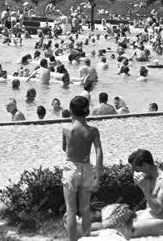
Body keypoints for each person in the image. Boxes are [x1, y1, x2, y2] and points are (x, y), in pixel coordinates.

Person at [62, 96, 103, 241]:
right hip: (86, 167)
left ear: (71, 111)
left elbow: (64, 148)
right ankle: (86, 238)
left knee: (71, 209)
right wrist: (98, 177)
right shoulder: (93, 131)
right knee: (85, 210)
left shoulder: (66, 128)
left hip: (71, 167)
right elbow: (99, 153)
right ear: (87, 112)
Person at [127, 149, 163, 236]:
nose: (135, 173)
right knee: (119, 221)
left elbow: (158, 210)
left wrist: (144, 188)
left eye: (136, 170)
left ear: (145, 165)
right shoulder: (147, 177)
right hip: (149, 215)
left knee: (129, 230)